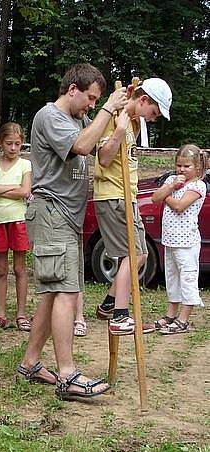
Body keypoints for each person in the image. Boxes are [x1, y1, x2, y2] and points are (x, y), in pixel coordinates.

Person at [17, 64, 127, 400]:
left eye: (97, 100)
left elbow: (104, 155)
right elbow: (81, 146)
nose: (92, 105)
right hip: (52, 212)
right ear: (72, 90)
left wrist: (121, 124)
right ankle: (67, 375)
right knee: (66, 292)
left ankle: (30, 362)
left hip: (66, 218)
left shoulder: (80, 120)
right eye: (90, 98)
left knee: (55, 293)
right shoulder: (49, 117)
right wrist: (108, 109)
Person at [94, 78, 172, 335]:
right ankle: (119, 315)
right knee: (132, 255)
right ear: (144, 101)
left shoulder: (133, 120)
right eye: (155, 111)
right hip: (112, 194)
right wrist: (118, 130)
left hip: (128, 195)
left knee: (142, 255)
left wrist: (129, 103)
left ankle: (108, 304)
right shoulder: (114, 118)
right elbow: (104, 159)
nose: (155, 117)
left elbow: (132, 103)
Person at [151, 145, 206, 334]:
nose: (181, 170)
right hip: (169, 239)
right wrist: (170, 187)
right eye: (179, 165)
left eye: (187, 166)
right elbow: (154, 197)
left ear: (197, 167)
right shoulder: (171, 180)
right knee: (172, 277)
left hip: (187, 242)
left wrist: (167, 193)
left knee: (187, 277)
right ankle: (171, 314)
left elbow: (180, 206)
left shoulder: (198, 185)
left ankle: (184, 319)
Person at [0, 122, 32, 331]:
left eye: (17, 144)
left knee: (19, 268)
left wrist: (0, 190)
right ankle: (1, 313)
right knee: (1, 269)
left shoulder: (25, 165)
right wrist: (15, 187)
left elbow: (26, 191)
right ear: (0, 143)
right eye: (9, 144)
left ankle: (21, 314)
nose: (13, 148)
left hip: (19, 220)